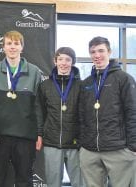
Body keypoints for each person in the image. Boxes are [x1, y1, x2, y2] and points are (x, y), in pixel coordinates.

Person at [0, 30, 43, 187]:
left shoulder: (34, 71)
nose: (13, 47)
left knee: (24, 180)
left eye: (16, 44)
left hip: (25, 136)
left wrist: (39, 133)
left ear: (22, 47)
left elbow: (38, 106)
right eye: (9, 43)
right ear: (3, 47)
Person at [79, 36, 136, 187]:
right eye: (93, 52)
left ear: (109, 52)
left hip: (118, 149)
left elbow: (132, 113)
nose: (97, 55)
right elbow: (82, 116)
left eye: (101, 51)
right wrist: (83, 144)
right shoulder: (86, 83)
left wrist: (132, 147)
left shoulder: (124, 79)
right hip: (90, 150)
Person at [38, 47, 84, 187]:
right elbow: (39, 112)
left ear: (73, 62)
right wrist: (40, 134)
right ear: (55, 61)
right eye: (60, 59)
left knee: (80, 183)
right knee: (53, 184)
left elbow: (85, 115)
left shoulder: (82, 86)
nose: (64, 63)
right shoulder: (45, 85)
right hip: (52, 143)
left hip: (75, 144)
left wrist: (83, 139)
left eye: (68, 59)